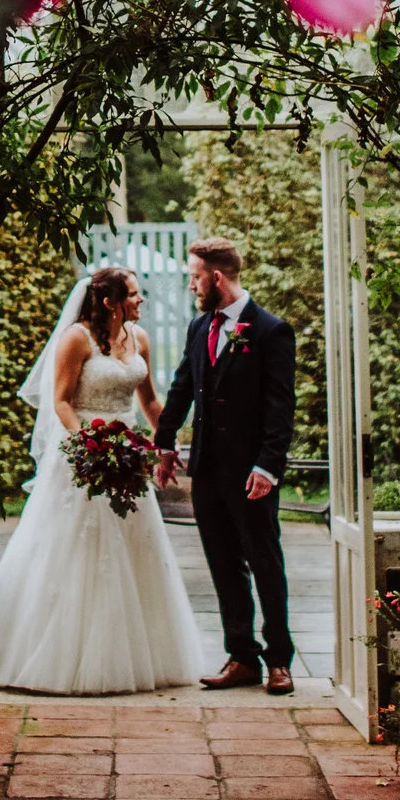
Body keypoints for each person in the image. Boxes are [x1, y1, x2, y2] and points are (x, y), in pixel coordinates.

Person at [0, 265, 205, 694]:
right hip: (82, 455)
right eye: (135, 294)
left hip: (127, 454)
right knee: (74, 546)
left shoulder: (138, 339)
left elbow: (150, 400)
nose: (142, 300)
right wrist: (90, 444)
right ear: (110, 301)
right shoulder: (76, 339)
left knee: (133, 545)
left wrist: (166, 444)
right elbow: (62, 401)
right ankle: (55, 656)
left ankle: (140, 653)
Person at [154, 237, 296, 694]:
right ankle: (241, 657)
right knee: (223, 563)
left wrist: (268, 467)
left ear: (216, 277)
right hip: (208, 470)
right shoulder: (201, 327)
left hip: (252, 474)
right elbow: (181, 387)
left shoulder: (271, 330)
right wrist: (165, 443)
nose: (192, 285)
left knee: (264, 561)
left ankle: (279, 660)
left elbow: (280, 409)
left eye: (195, 277)